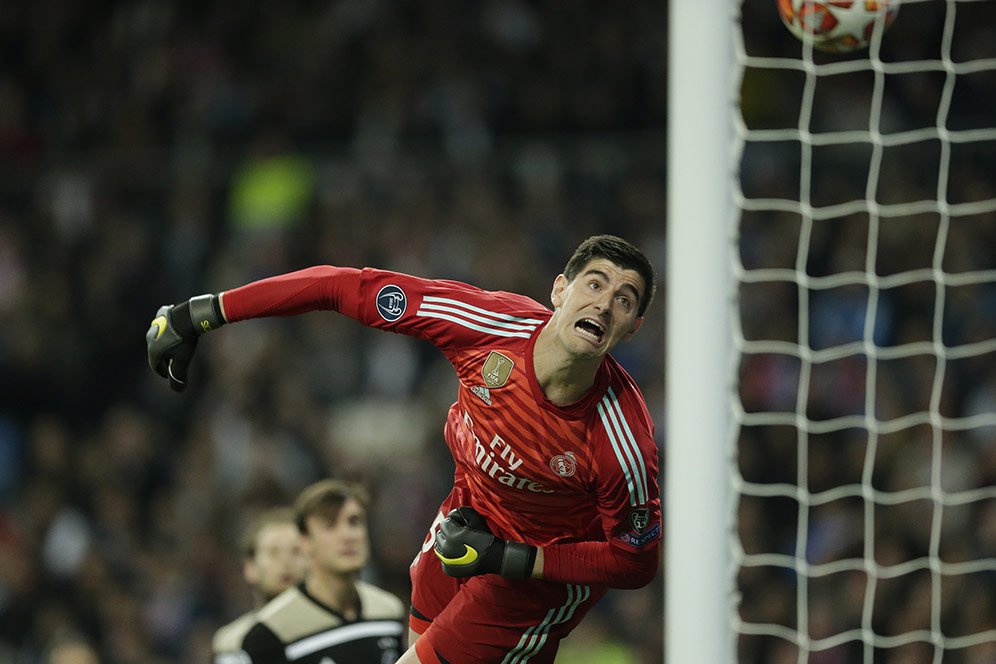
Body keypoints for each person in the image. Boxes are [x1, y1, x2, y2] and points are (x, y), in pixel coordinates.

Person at [147, 234, 660, 663]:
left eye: (624, 299)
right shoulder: (484, 325)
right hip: (465, 523)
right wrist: (205, 312)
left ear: (632, 328)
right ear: (560, 290)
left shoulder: (621, 437)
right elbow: (341, 287)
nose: (604, 303)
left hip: (534, 584)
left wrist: (514, 559)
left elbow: (635, 561)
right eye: (595, 284)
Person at [234, 479, 407, 662]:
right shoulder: (271, 632)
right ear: (304, 541)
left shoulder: (388, 612)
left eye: (354, 522)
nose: (348, 536)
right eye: (329, 525)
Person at [212, 507, 309, 663]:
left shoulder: (329, 630)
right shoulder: (231, 643)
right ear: (250, 567)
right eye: (273, 552)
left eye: (296, 551)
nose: (286, 562)